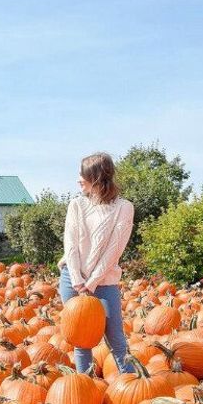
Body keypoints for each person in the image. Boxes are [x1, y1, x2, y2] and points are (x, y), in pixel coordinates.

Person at [57, 152, 134, 375]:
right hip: (72, 278)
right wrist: (79, 280)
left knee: (116, 338)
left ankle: (131, 383)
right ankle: (85, 385)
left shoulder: (123, 207)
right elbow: (70, 244)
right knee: (82, 340)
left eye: (82, 174)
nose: (78, 179)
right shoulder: (76, 205)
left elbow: (114, 250)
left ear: (97, 177)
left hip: (104, 281)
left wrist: (91, 283)